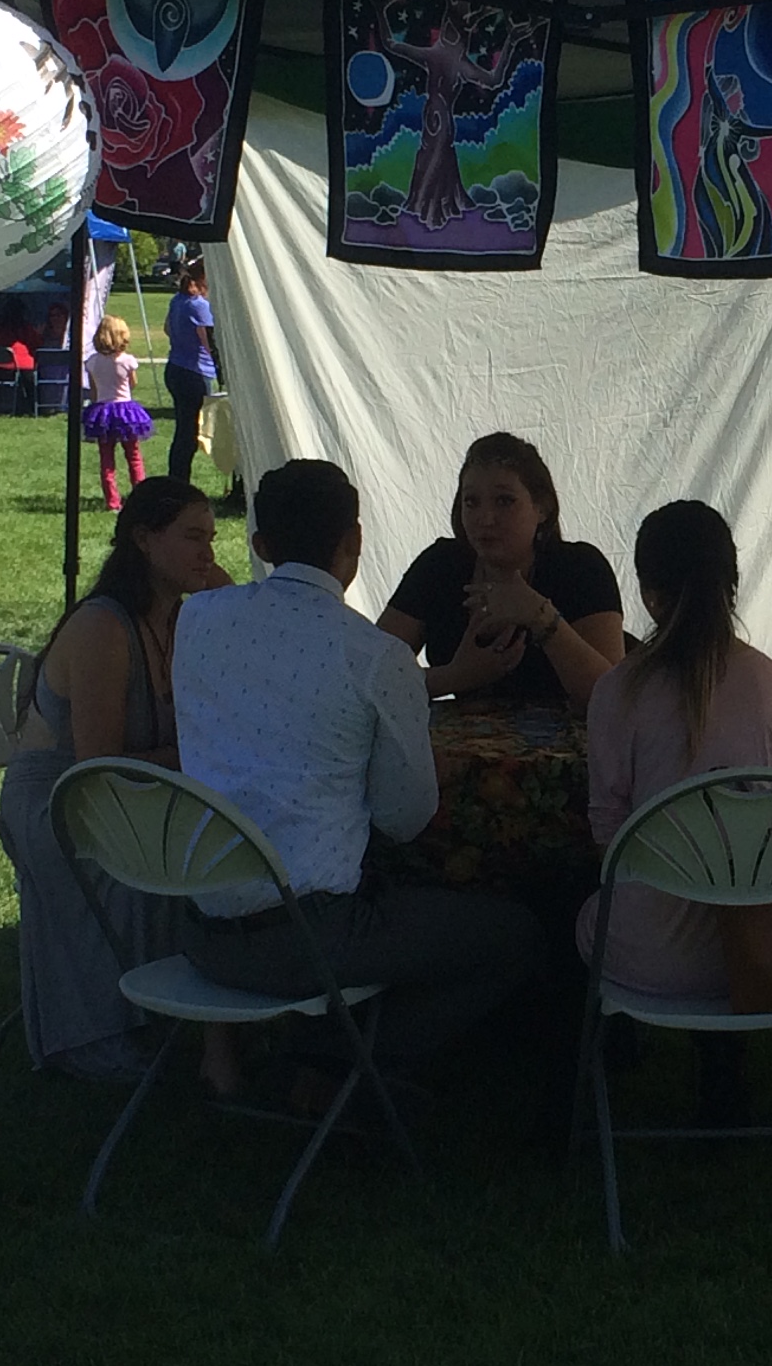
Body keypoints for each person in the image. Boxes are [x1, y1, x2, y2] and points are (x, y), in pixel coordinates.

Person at [172, 458, 540, 1074]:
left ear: (260, 545)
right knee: (516, 936)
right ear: (356, 541)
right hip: (311, 939)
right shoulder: (374, 655)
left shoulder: (196, 620)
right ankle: (338, 1058)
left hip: (197, 927)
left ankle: (312, 1055)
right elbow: (405, 817)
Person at [0, 477, 236, 1081]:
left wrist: (228, 615)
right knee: (163, 867)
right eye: (191, 537)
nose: (207, 553)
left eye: (210, 537)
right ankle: (109, 1030)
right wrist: (190, 757)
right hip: (61, 798)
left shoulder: (183, 618)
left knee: (219, 851)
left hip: (135, 786)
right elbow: (97, 765)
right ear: (143, 540)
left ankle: (204, 1025)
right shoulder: (105, 626)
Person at [575, 501, 772, 1013]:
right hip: (758, 956)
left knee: (576, 904)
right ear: (734, 583)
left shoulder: (616, 692)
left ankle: (604, 1061)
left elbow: (607, 841)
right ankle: (724, 1072)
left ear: (649, 595)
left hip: (647, 956)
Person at [380, 432, 629, 707]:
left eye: (504, 501)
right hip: (452, 748)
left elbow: (612, 699)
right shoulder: (440, 566)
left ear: (542, 508)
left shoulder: (580, 568)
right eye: (471, 502)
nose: (485, 519)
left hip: (568, 749)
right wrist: (454, 677)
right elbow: (368, 676)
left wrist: (541, 616)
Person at [81, 313, 153, 508]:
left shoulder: (92, 361)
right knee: (133, 455)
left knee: (106, 458)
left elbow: (94, 390)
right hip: (125, 411)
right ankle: (140, 496)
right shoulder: (127, 360)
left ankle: (112, 500)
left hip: (103, 410)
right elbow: (133, 383)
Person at [163, 256, 217, 472]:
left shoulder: (178, 300)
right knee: (190, 433)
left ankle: (176, 475)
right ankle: (179, 478)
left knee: (183, 429)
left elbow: (167, 328)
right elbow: (209, 341)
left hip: (175, 366)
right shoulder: (199, 306)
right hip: (195, 372)